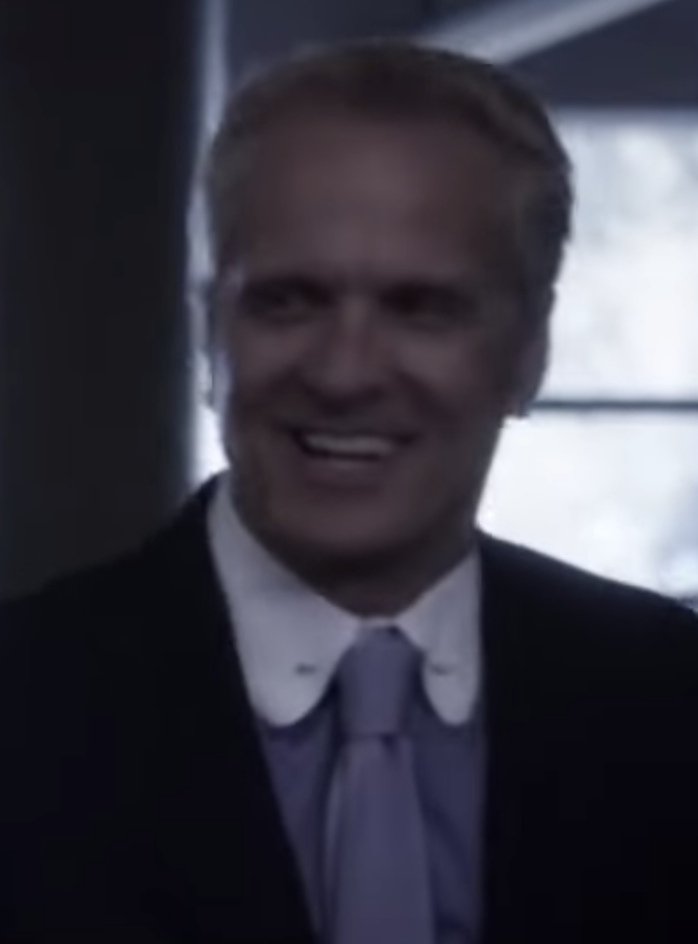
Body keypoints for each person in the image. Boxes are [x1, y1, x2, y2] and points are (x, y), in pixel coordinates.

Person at [0, 40, 697, 944]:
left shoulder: (671, 702)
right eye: (288, 301)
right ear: (210, 333)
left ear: (530, 353)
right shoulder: (25, 705)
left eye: (421, 308)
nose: (343, 373)